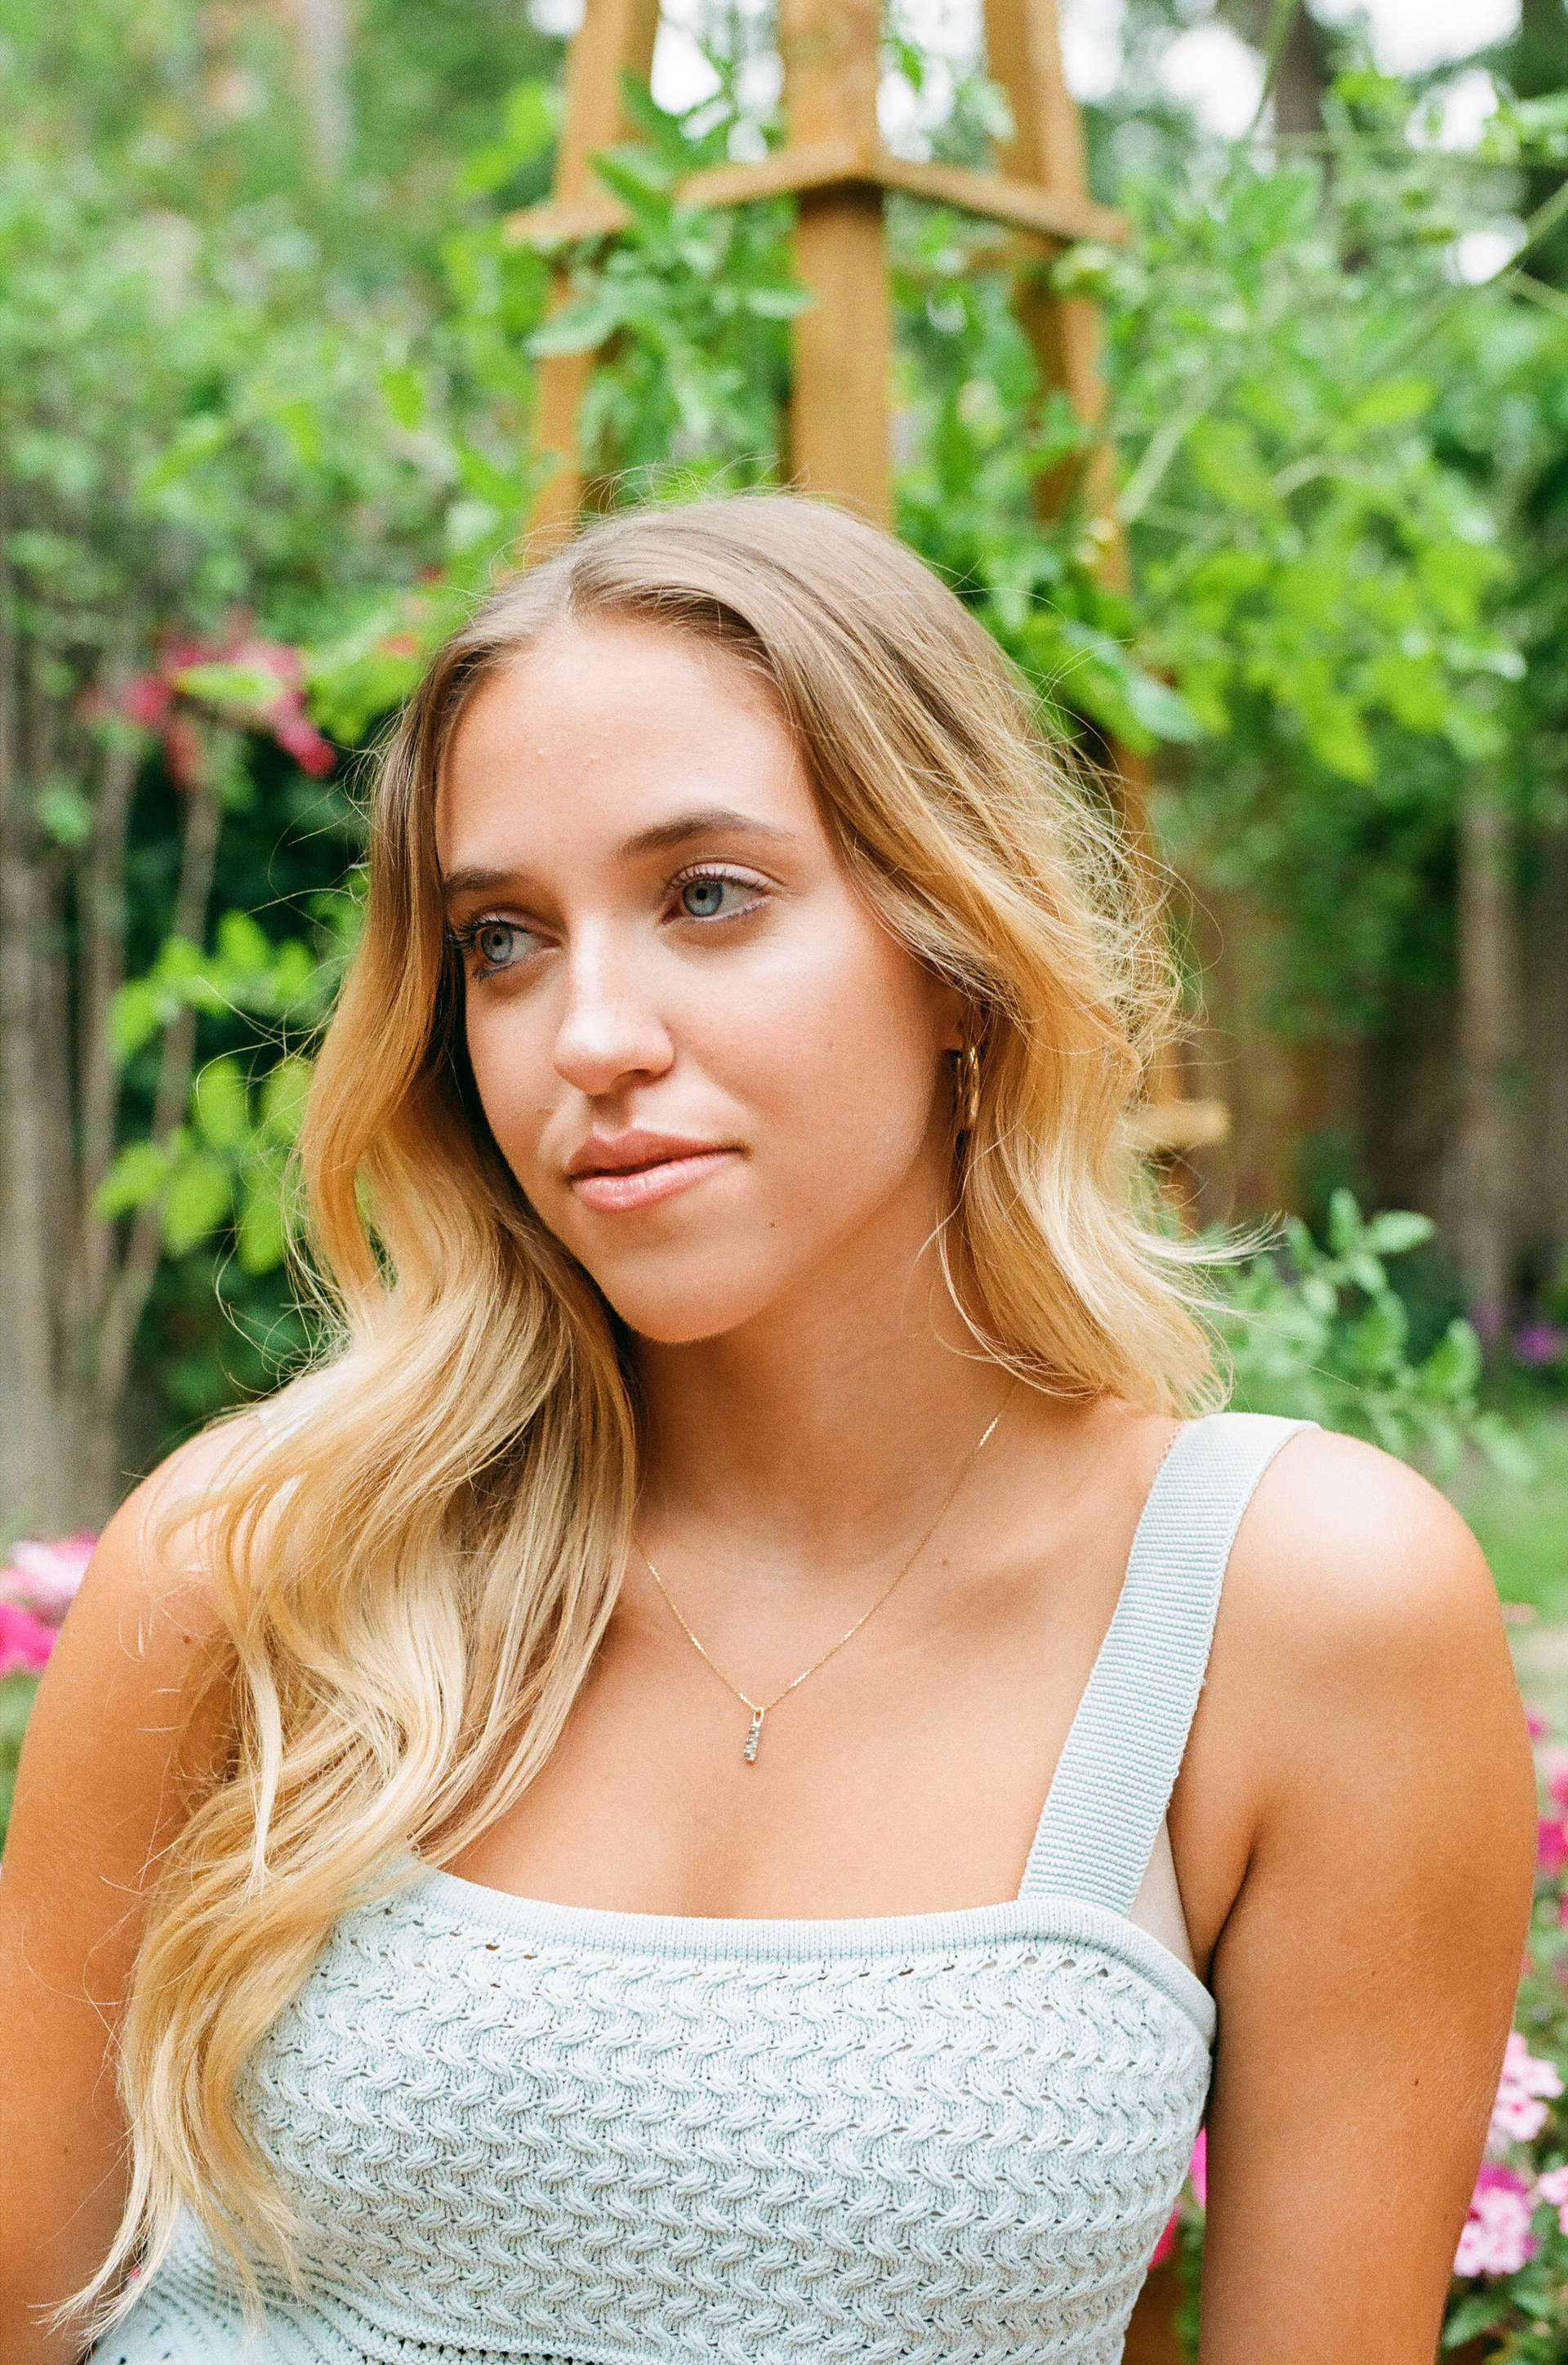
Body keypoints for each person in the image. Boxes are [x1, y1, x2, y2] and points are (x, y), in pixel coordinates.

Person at [0, 494, 1535, 2365]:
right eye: (504, 939)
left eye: (707, 895)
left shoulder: (1295, 1610)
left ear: (955, 946)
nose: (591, 1035)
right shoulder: (260, 1559)